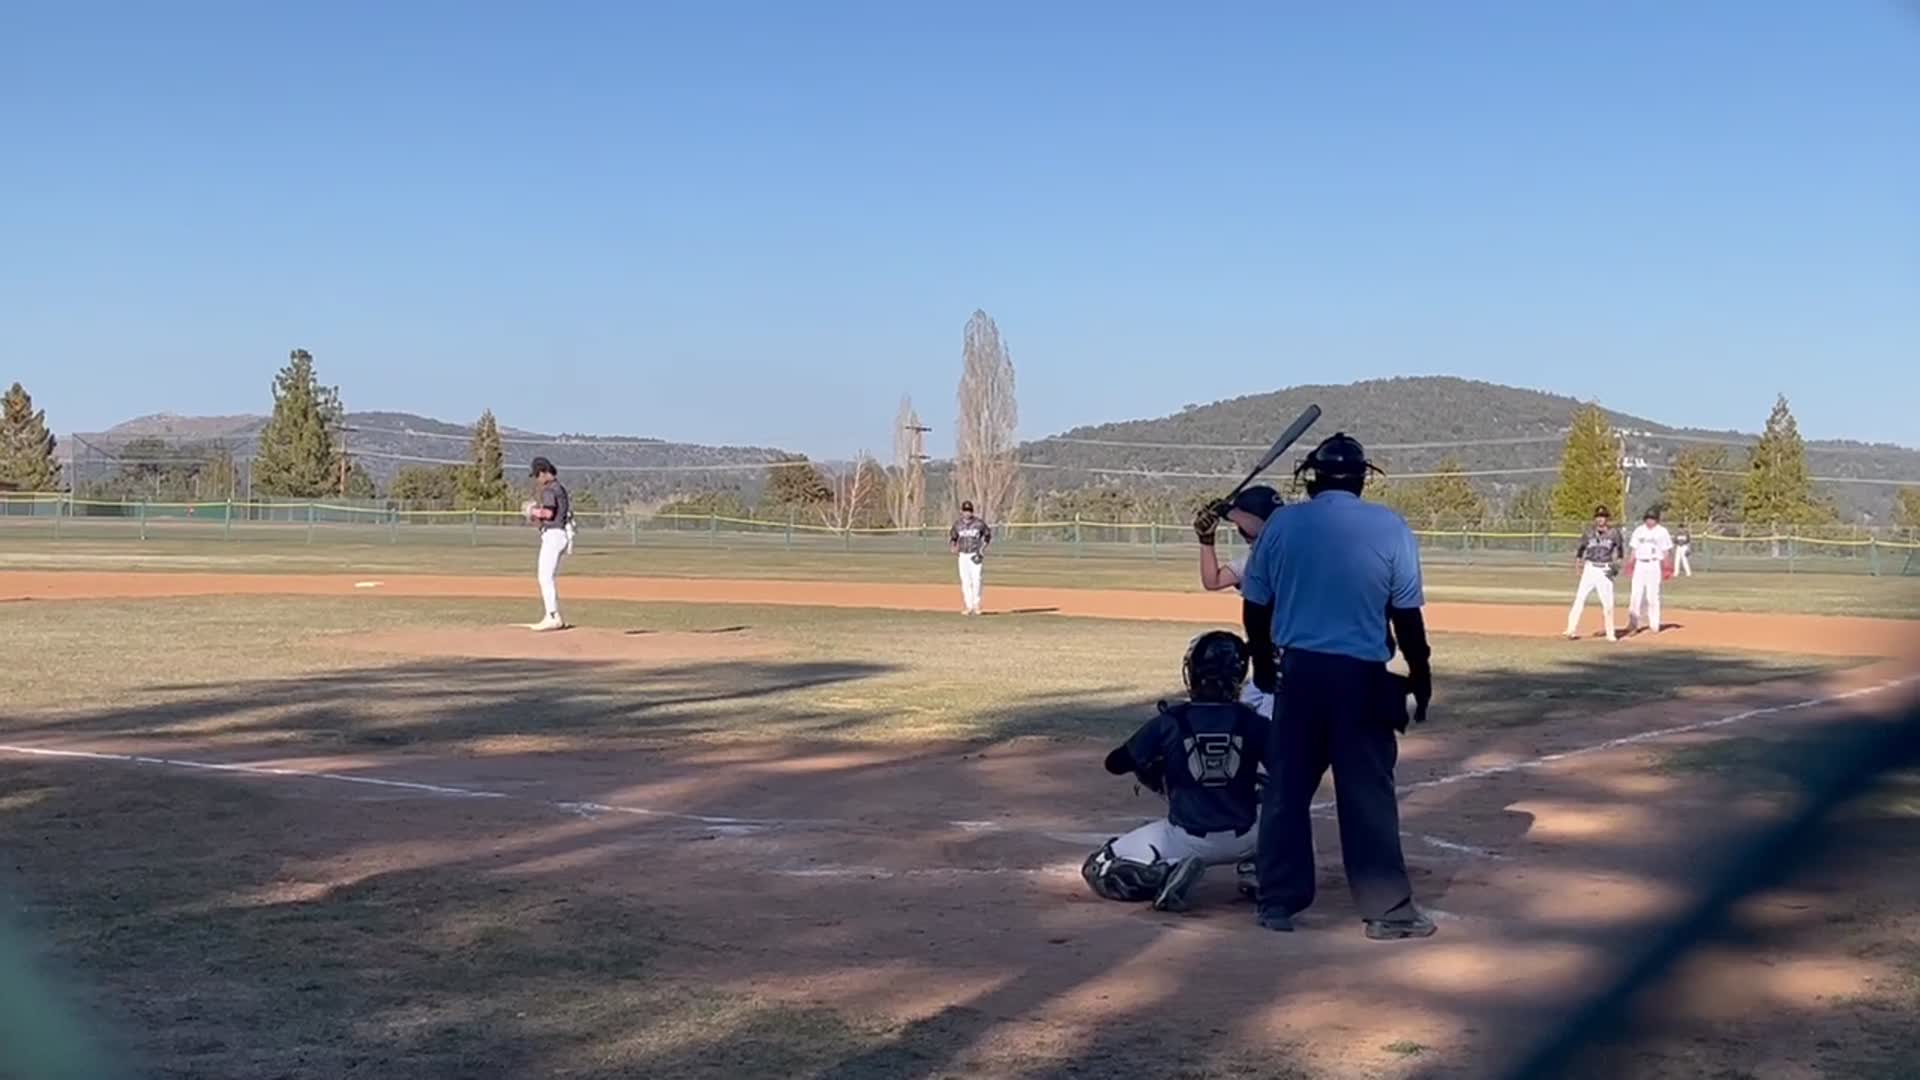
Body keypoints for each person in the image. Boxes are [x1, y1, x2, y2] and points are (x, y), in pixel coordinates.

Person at [1240, 432, 1435, 940]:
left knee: (1286, 790)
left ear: (1313, 478)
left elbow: (1255, 606)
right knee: (1367, 795)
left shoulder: (1283, 525)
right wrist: (1421, 673)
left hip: (1299, 674)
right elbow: (1406, 616)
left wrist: (1261, 663)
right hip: (1361, 680)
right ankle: (1387, 910)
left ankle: (1276, 903)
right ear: (1363, 479)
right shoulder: (1390, 526)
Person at [1081, 631, 1268, 913]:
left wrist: (1156, 767)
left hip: (1186, 840)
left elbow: (1115, 763)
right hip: (1249, 836)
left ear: (1193, 672)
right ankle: (1260, 869)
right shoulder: (1253, 721)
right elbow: (1287, 772)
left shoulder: (1171, 721)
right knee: (1282, 813)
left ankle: (1165, 872)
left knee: (1099, 866)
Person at [1193, 485, 1284, 718]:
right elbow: (1213, 581)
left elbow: (1267, 530)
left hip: (1290, 662)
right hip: (1267, 660)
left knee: (1266, 726)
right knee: (1238, 715)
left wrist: (1227, 511)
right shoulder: (1252, 559)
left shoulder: (1286, 550)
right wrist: (1206, 541)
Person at [525, 456, 573, 631]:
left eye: (537, 475)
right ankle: (552, 615)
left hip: (554, 534)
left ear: (544, 472)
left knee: (545, 577)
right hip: (559, 533)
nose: (537, 480)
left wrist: (532, 511)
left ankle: (552, 616)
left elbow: (549, 513)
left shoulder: (550, 489)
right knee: (546, 577)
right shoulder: (559, 487)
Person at [1563, 505, 1625, 642]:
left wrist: (1618, 564)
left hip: (1605, 569)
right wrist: (1578, 564)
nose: (1600, 519)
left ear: (1607, 518)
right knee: (1580, 599)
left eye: (1603, 517)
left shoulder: (1614, 533)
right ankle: (1571, 629)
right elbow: (1581, 550)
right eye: (1598, 517)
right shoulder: (1589, 533)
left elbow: (1620, 551)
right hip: (1590, 568)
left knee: (1608, 604)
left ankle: (1610, 633)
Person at [1626, 508, 1674, 635]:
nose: (1650, 521)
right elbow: (1634, 549)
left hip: (1654, 564)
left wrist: (1667, 566)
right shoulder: (1639, 530)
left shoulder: (1662, 531)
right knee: (1636, 594)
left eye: (1652, 519)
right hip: (1640, 564)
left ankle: (1654, 624)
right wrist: (1630, 563)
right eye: (1648, 518)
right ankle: (1633, 623)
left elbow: (1666, 551)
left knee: (1653, 596)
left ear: (1657, 520)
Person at [949, 500, 992, 616]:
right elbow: (953, 537)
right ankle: (969, 606)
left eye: (969, 510)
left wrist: (982, 548)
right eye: (965, 510)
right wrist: (953, 546)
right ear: (962, 511)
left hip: (975, 554)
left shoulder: (979, 524)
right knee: (965, 581)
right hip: (963, 555)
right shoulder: (958, 524)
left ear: (972, 511)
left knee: (977, 579)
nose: (967, 513)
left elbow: (987, 535)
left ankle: (976, 605)